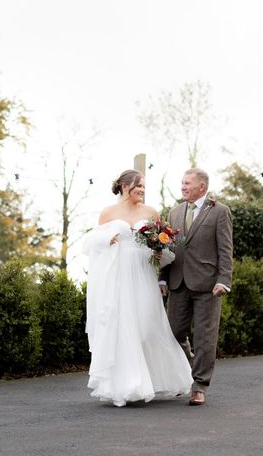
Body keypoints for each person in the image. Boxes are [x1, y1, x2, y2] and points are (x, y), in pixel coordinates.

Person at [82, 169, 193, 407]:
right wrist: (107, 239)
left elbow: (164, 246)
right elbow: (91, 243)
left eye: (144, 186)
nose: (142, 190)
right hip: (117, 277)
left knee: (145, 328)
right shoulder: (108, 213)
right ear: (124, 186)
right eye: (138, 186)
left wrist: (159, 249)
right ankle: (128, 386)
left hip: (142, 275)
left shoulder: (151, 212)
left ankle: (155, 378)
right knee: (122, 329)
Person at [159, 168, 233, 406]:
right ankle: (191, 368)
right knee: (173, 333)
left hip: (208, 284)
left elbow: (225, 249)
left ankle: (199, 385)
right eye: (182, 182)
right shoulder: (175, 212)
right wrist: (162, 278)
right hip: (178, 282)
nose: (183, 187)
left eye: (187, 183)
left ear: (202, 187)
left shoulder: (220, 211)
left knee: (205, 337)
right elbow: (167, 250)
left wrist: (224, 279)